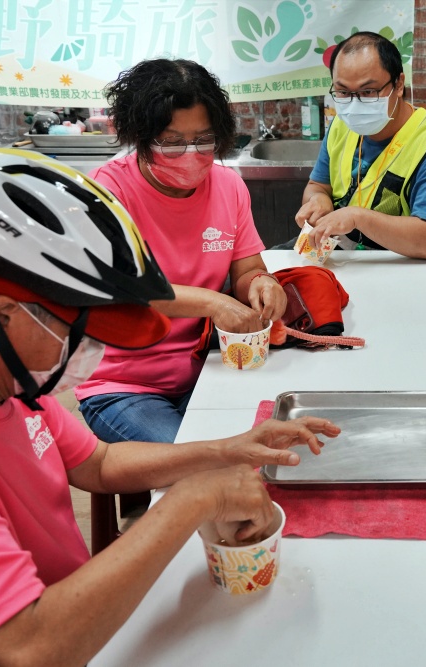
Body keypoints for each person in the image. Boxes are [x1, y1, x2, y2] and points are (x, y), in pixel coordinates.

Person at [0, 147, 340, 667]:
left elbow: (97, 463)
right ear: (7, 314)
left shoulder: (0, 385)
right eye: (80, 330)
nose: (89, 351)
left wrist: (228, 449)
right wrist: (191, 502)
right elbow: (25, 648)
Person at [74, 58, 286, 446]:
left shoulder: (228, 186)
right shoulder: (109, 192)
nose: (191, 154)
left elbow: (247, 269)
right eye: (171, 143)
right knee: (207, 469)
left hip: (209, 365)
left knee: (265, 450)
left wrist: (262, 283)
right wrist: (214, 303)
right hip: (125, 385)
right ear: (140, 136)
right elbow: (127, 289)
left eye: (204, 140)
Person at [292, 31, 426, 260]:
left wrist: (358, 218)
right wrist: (318, 199)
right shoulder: (340, 125)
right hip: (338, 255)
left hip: (396, 263)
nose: (354, 104)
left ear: (398, 84)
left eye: (368, 92)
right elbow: (317, 185)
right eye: (342, 92)